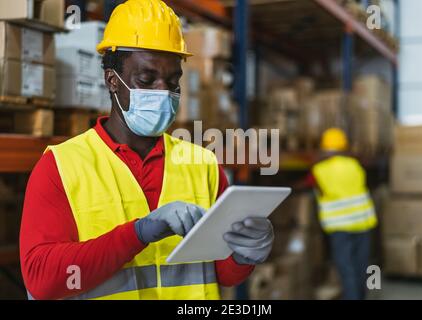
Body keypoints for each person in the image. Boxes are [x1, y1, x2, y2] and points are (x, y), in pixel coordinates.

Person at [19, 0, 274, 300]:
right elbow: (42, 281)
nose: (162, 92)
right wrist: (138, 234)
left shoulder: (203, 164)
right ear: (112, 80)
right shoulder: (62, 166)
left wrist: (244, 253)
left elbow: (222, 274)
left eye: (173, 81)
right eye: (146, 79)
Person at [303, 128, 377, 300]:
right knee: (361, 265)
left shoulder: (320, 169)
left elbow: (308, 185)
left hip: (340, 226)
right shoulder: (355, 165)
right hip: (363, 222)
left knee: (346, 267)